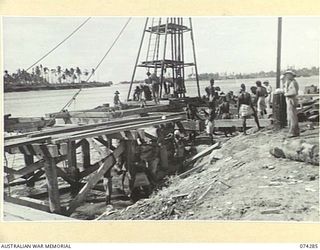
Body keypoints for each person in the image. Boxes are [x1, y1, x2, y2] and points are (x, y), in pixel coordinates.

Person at [283, 69, 300, 137]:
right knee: (290, 116)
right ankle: (294, 131)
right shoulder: (289, 82)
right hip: (289, 100)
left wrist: (286, 94)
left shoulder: (294, 82)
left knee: (292, 116)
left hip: (291, 100)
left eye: (287, 75)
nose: (286, 76)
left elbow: (294, 92)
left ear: (291, 75)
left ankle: (293, 132)